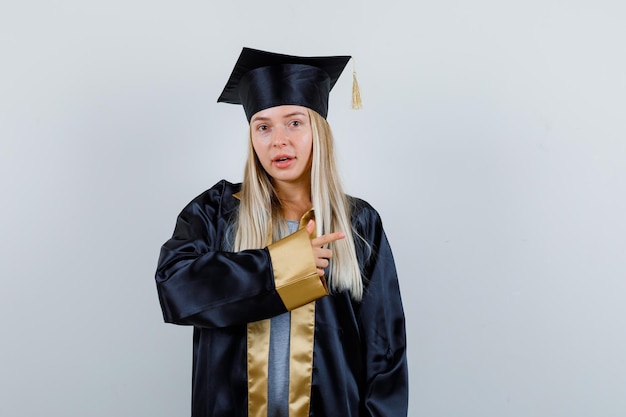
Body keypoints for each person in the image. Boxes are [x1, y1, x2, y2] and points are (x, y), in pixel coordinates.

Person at [155, 47, 408, 417]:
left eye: (294, 122)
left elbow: (384, 349)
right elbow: (175, 288)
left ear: (318, 130)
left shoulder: (358, 222)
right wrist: (286, 265)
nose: (278, 140)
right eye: (263, 126)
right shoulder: (216, 211)